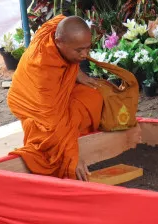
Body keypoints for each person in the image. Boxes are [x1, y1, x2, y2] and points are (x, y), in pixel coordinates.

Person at [7, 15, 103, 181]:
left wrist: (77, 72)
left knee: (93, 96)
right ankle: (54, 136)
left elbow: (62, 21)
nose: (85, 55)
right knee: (50, 134)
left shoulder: (55, 28)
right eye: (79, 50)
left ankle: (70, 133)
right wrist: (73, 157)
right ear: (58, 42)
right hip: (32, 101)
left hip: (53, 95)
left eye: (87, 48)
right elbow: (54, 121)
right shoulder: (42, 69)